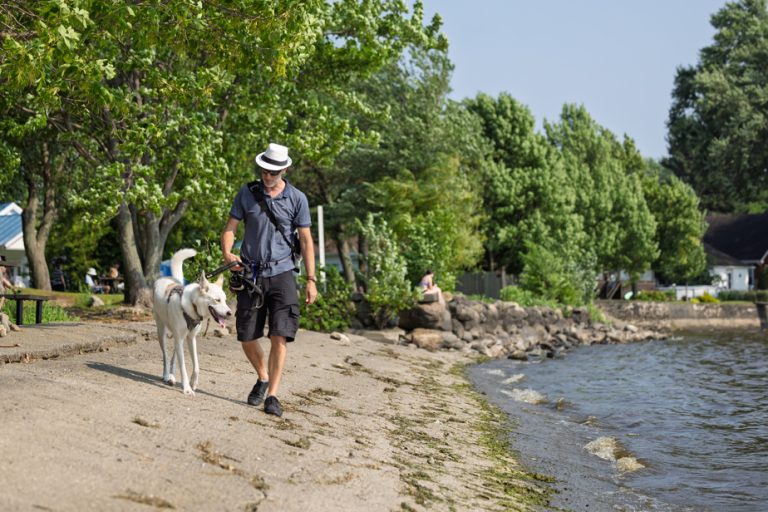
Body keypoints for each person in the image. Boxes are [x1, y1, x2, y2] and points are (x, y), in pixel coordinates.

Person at [221, 142, 317, 417]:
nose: (267, 175)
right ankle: (262, 377)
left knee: (279, 335)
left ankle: (272, 395)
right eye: (264, 170)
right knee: (246, 336)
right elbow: (230, 228)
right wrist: (228, 253)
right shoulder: (247, 193)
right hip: (250, 273)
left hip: (283, 273)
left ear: (284, 169)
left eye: (273, 172)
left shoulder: (297, 199)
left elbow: (306, 240)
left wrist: (311, 279)